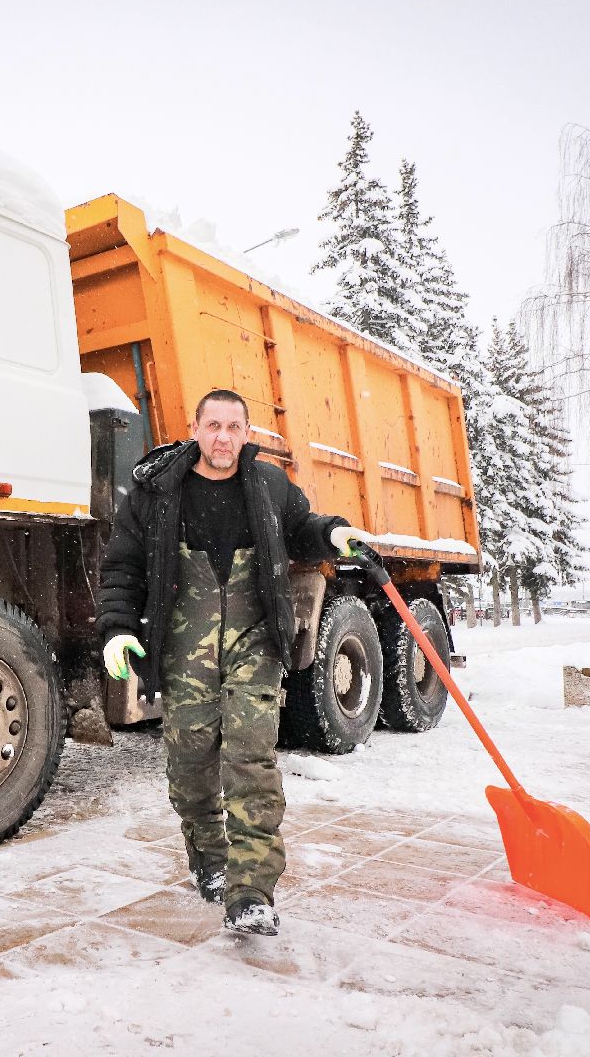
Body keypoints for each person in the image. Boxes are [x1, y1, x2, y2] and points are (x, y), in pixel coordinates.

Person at [96, 389, 371, 936]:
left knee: (251, 760)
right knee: (191, 762)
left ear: (247, 433)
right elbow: (122, 566)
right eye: (213, 425)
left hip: (253, 641)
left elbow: (303, 527)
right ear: (194, 427)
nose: (223, 437)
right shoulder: (156, 491)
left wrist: (334, 531)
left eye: (234, 427)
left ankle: (251, 891)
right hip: (184, 644)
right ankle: (210, 859)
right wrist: (118, 630)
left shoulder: (268, 485)